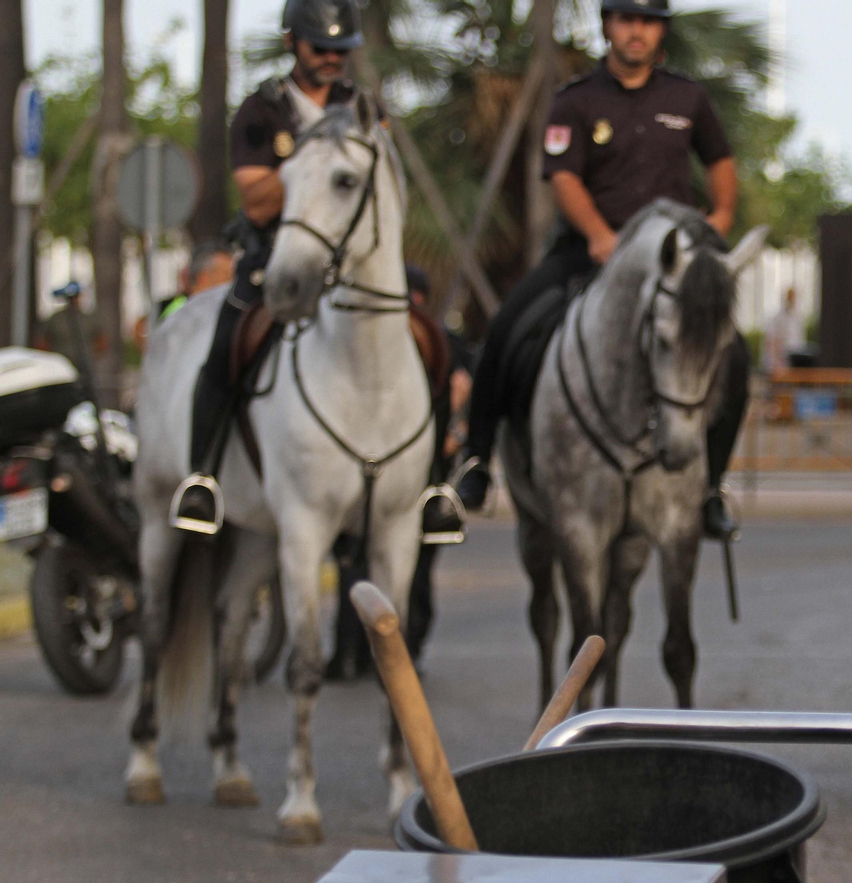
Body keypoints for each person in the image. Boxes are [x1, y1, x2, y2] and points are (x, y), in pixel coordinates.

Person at [452, 0, 747, 541]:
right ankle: (475, 464)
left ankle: (712, 488)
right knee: (507, 328)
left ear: (661, 30)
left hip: (670, 262)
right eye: (627, 19)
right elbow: (564, 178)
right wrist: (598, 235)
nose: (637, 31)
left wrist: (719, 223)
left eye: (649, 20)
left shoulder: (688, 98)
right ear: (608, 25)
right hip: (590, 251)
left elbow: (722, 168)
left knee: (733, 352)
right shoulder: (576, 100)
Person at [170, 0, 368, 533]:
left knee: (425, 336)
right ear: (291, 42)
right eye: (319, 47)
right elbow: (256, 201)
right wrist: (313, 168)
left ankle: (433, 482)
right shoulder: (262, 110)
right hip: (273, 259)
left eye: (339, 50)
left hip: (350, 260)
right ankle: (202, 477)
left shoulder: (362, 106)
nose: (331, 58)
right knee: (226, 343)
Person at [328, 265, 471, 678]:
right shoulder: (376, 343)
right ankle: (364, 655)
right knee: (375, 567)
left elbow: (460, 385)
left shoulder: (434, 339)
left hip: (410, 472)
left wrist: (454, 432)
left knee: (389, 567)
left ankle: (382, 654)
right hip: (390, 472)